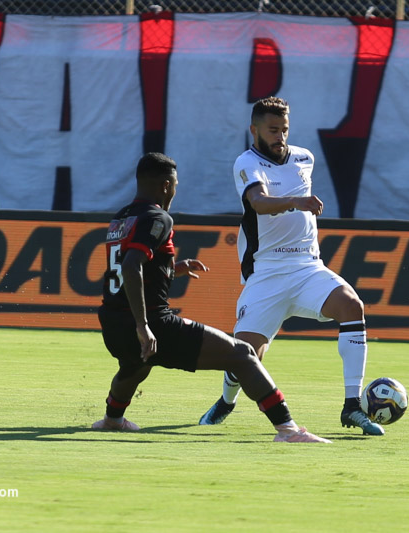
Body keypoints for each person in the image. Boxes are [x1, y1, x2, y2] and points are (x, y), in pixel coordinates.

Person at [92, 151, 330, 443]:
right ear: (167, 185)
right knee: (242, 354)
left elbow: (128, 265)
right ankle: (288, 430)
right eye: (175, 186)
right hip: (151, 322)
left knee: (135, 364)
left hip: (112, 323)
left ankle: (112, 419)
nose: (175, 192)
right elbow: (130, 267)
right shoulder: (158, 217)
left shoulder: (121, 218)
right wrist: (144, 326)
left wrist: (172, 269)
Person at [198, 97, 384, 436]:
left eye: (284, 129)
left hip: (306, 266)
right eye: (272, 130)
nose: (279, 136)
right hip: (266, 273)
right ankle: (227, 400)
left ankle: (352, 406)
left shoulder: (304, 158)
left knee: (351, 305)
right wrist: (297, 202)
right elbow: (258, 203)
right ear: (253, 130)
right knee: (246, 355)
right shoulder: (246, 162)